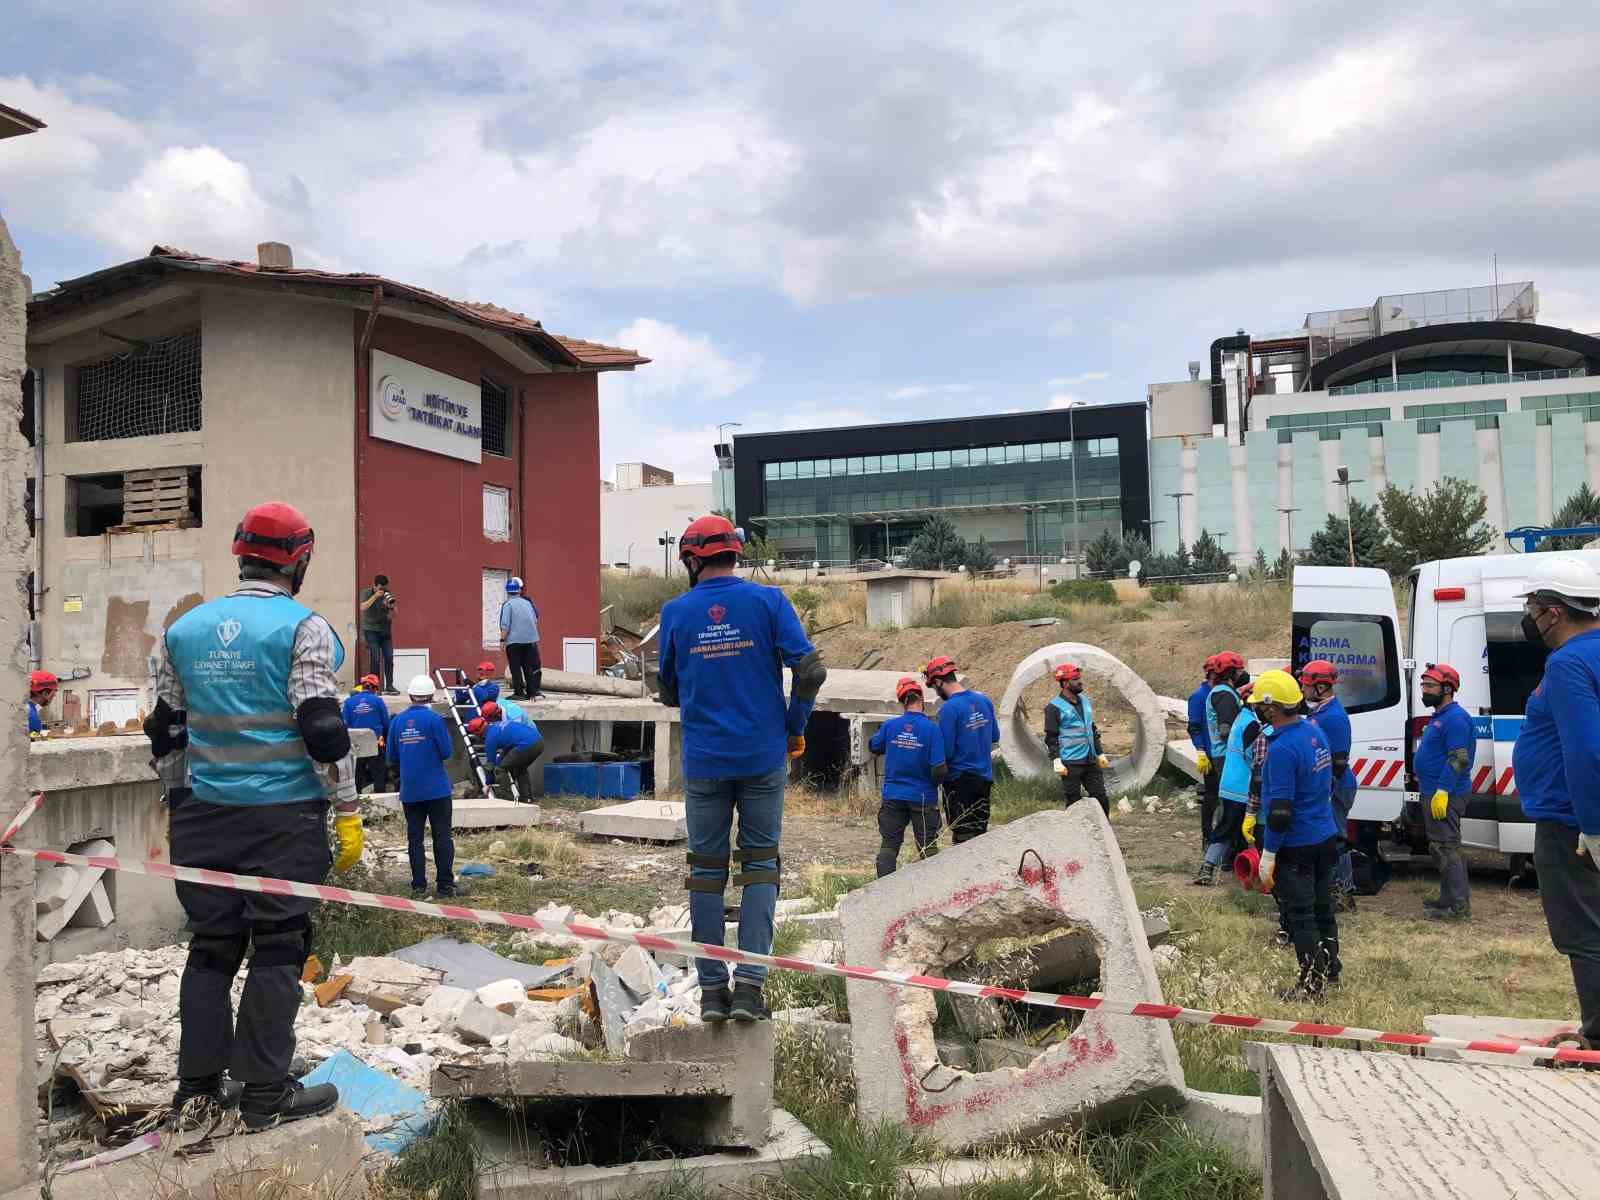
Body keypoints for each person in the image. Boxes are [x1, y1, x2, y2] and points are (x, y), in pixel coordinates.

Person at [149, 501, 359, 1129]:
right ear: (300, 559)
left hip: (202, 815)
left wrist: (180, 801)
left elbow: (165, 731)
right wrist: (347, 810)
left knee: (211, 948)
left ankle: (198, 1093)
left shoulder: (183, 629)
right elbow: (322, 729)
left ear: (240, 554)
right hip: (282, 818)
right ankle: (265, 1095)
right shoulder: (304, 628)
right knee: (279, 948)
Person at [657, 514, 825, 1023]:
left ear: (691, 558)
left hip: (707, 760)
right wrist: (794, 726)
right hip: (762, 756)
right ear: (735, 553)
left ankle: (712, 991)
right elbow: (811, 669)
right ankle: (749, 988)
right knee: (760, 869)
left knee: (706, 875)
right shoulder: (769, 602)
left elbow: (667, 690)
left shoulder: (675, 613)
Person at [1513, 556, 1600, 1048]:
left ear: (1553, 612)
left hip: (1573, 825)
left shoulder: (1568, 662)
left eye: (1530, 607)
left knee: (1584, 933)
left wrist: (1594, 827)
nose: (1528, 618)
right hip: (1582, 817)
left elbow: (1587, 750)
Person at [1250, 669, 1341, 1000]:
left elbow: (1279, 812)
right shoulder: (1314, 732)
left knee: (1301, 915)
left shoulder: (1282, 748)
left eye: (1261, 705)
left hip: (1298, 844)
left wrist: (1269, 854)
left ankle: (1311, 985)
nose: (1258, 709)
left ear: (1273, 708)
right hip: (1324, 833)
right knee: (1322, 907)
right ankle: (1331, 971)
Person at [1413, 662, 1475, 921]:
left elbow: (1458, 759)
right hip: (1435, 791)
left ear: (1447, 688)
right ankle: (1447, 900)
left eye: (1430, 685)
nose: (1424, 690)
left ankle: (1457, 909)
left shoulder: (1456, 719)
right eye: (1423, 685)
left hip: (1445, 795)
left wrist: (1442, 790)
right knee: (1443, 847)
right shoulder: (1441, 717)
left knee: (1446, 849)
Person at [386, 674, 457, 898]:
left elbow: (391, 756)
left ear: (411, 695)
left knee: (414, 838)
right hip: (436, 789)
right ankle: (445, 885)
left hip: (411, 791)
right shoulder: (434, 720)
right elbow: (446, 752)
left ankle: (418, 885)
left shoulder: (397, 721)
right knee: (442, 836)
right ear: (431, 696)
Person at [869, 676, 946, 876]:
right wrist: (933, 787)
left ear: (902, 702)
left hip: (893, 796)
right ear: (921, 699)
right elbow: (939, 768)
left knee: (889, 845)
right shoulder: (932, 729)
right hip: (922, 797)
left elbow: (873, 746)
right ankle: (931, 895)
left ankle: (883, 893)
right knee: (927, 846)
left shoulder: (890, 726)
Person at [1300, 660, 1358, 912]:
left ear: (1322, 687)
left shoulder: (1333, 717)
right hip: (1328, 785)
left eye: (1307, 685)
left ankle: (1343, 894)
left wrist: (1324, 791)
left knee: (1336, 839)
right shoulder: (1320, 713)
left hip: (1335, 786)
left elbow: (1338, 762)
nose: (1303, 689)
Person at [927, 656, 1000, 844]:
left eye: (934, 687)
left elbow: (947, 752)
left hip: (959, 783)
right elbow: (994, 736)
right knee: (980, 835)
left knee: (963, 837)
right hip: (984, 779)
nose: (936, 691)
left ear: (938, 681)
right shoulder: (984, 700)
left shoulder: (949, 709)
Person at [1195, 682, 1260, 885]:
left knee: (1226, 827)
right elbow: (1254, 757)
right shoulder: (1252, 725)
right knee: (1251, 831)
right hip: (1243, 787)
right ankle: (1252, 872)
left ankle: (1210, 867)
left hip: (1229, 785)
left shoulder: (1241, 718)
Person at [1044, 663, 1111, 814]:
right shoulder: (1054, 707)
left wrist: (1099, 753)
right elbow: (1051, 738)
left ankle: (1104, 830)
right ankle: (1074, 834)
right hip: (1070, 762)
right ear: (1065, 683)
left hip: (1090, 759)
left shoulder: (1085, 701)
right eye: (1075, 679)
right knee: (1073, 800)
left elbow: (1091, 729)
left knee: (1100, 796)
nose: (1080, 682)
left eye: (1079, 678)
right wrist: (1056, 760)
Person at [1204, 652, 1248, 847]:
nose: (1242, 673)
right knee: (1231, 807)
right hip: (1227, 756)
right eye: (1239, 670)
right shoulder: (1225, 695)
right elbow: (1226, 729)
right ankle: (1221, 851)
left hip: (1222, 754)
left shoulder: (1221, 692)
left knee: (1229, 805)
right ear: (1230, 671)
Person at [475, 703, 545, 800]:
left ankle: (507, 798)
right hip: (538, 740)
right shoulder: (498, 725)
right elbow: (508, 747)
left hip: (527, 744)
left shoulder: (490, 739)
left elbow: (490, 764)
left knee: (501, 769)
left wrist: (488, 783)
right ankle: (527, 798)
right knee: (520, 768)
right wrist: (500, 760)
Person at [341, 674, 391, 793]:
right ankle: (380, 801)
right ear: (375, 688)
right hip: (375, 744)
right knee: (379, 775)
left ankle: (356, 802)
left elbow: (344, 724)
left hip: (355, 745)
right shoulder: (378, 701)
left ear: (362, 686)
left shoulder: (349, 702)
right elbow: (386, 723)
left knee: (357, 776)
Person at [500, 578, 542, 700]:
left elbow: (505, 625)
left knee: (515, 668)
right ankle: (531, 692)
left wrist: (502, 640)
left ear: (507, 591)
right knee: (528, 667)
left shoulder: (507, 605)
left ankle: (519, 693)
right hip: (530, 640)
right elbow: (535, 619)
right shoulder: (528, 603)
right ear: (519, 590)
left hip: (514, 642)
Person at [1188, 659, 1216, 839]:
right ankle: (1207, 835)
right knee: (1211, 797)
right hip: (1211, 755)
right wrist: (1200, 750)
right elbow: (1194, 726)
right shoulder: (1199, 696)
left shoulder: (1223, 693)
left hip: (1225, 754)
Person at [358, 574, 397, 694]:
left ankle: (389, 685)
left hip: (385, 631)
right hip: (371, 630)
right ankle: (374, 686)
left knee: (389, 657)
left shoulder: (388, 594)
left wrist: (390, 607)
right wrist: (375, 596)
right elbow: (363, 607)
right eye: (380, 588)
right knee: (375, 657)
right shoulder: (366, 593)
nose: (382, 590)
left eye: (384, 588)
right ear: (374, 585)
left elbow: (394, 616)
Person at [27, 669, 57, 739]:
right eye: (54, 691)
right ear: (45, 693)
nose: (55, 695)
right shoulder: (32, 717)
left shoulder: (24, 708)